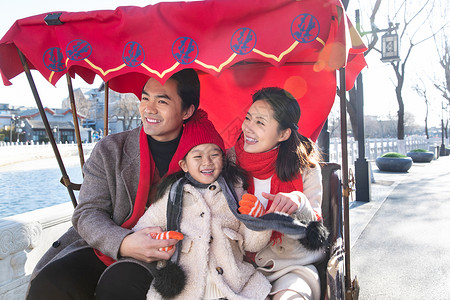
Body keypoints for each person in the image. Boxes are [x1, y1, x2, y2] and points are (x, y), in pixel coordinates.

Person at [27, 69, 202, 300]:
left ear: (187, 111)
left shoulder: (204, 155)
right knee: (52, 283)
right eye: (145, 98)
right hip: (105, 244)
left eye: (162, 101)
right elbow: (88, 213)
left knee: (120, 286)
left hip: (169, 254)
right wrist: (123, 242)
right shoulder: (110, 149)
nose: (149, 108)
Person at [132, 109, 272, 300]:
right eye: (197, 157)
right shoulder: (171, 197)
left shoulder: (235, 193)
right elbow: (142, 230)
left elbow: (253, 244)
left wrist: (257, 221)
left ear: (223, 159)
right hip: (186, 290)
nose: (207, 162)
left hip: (233, 286)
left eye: (214, 155)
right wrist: (160, 241)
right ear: (184, 165)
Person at [230, 87, 326, 300]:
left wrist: (299, 203)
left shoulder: (306, 169)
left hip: (290, 266)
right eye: (248, 118)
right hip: (239, 268)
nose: (248, 128)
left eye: (260, 122)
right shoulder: (229, 162)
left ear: (283, 134)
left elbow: (315, 236)